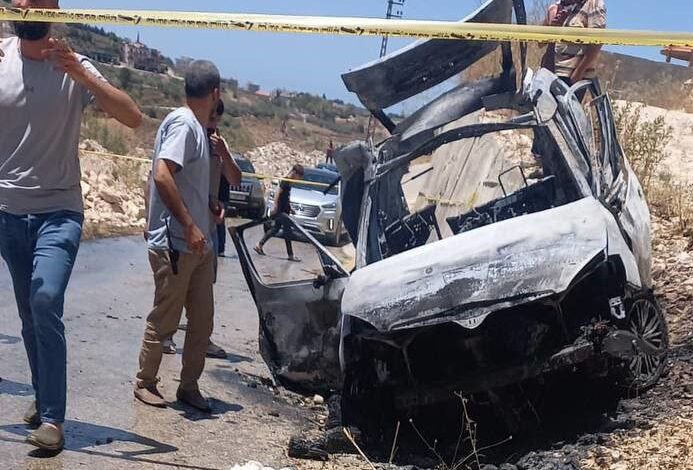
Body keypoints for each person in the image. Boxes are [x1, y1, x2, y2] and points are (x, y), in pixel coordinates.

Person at [0, 0, 142, 451]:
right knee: (28, 314)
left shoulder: (73, 66)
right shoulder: (1, 57)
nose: (24, 4)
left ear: (53, 8)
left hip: (59, 213)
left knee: (44, 300)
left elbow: (132, 117)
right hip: (7, 213)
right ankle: (43, 395)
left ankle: (53, 422)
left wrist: (80, 74)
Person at [135, 60, 239, 412]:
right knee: (165, 318)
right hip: (176, 243)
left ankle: (188, 386)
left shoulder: (197, 127)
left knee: (202, 322)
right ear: (215, 93)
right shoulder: (184, 124)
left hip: (198, 244)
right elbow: (162, 175)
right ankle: (145, 382)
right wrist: (189, 224)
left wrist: (206, 207)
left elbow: (186, 182)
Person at [541, 0, 607, 87]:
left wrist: (578, 73)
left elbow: (597, 42)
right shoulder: (557, 6)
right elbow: (540, 43)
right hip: (547, 72)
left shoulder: (594, 4)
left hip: (570, 77)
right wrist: (552, 26)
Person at [254, 165, 304, 262]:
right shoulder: (286, 180)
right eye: (299, 176)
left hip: (285, 210)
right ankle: (290, 255)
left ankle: (259, 245)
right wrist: (275, 206)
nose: (298, 179)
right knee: (287, 232)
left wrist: (290, 208)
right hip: (281, 211)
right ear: (295, 173)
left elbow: (285, 197)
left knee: (275, 228)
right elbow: (278, 193)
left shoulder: (288, 181)